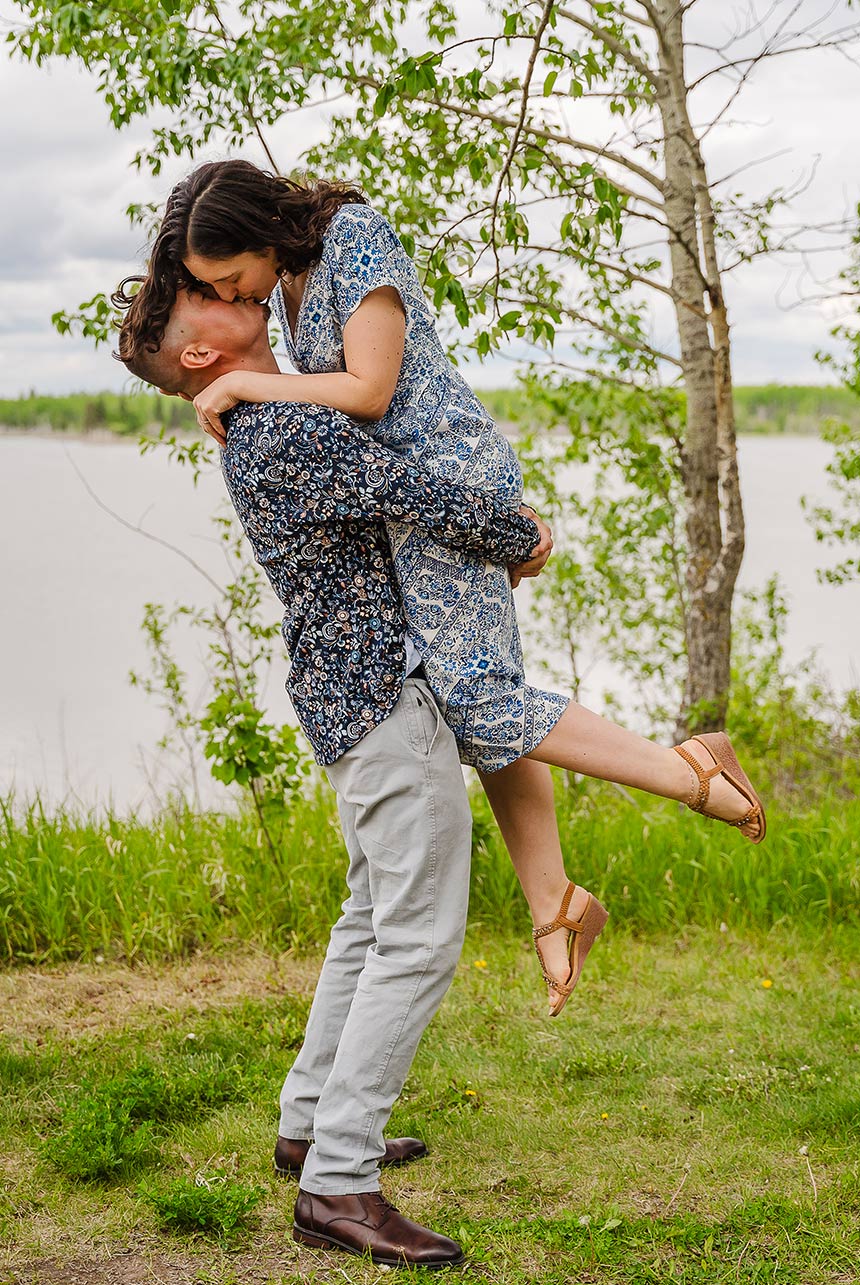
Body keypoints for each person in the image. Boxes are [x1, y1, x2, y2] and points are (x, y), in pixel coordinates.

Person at [120, 161, 766, 1017]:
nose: (232, 294)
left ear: (261, 235)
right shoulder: (289, 285)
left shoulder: (355, 237)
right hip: (412, 503)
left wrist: (241, 382)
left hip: (447, 482)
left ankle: (690, 771)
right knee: (477, 695)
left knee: (479, 695)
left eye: (229, 277)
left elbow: (370, 389)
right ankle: (553, 901)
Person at [119, 284, 551, 1267]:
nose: (242, 293)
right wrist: (520, 531)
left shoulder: (263, 414)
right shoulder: (280, 430)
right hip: (377, 694)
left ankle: (310, 1123)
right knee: (417, 935)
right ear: (197, 355)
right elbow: (421, 495)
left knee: (369, 913)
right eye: (214, 298)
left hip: (345, 689)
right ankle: (338, 1183)